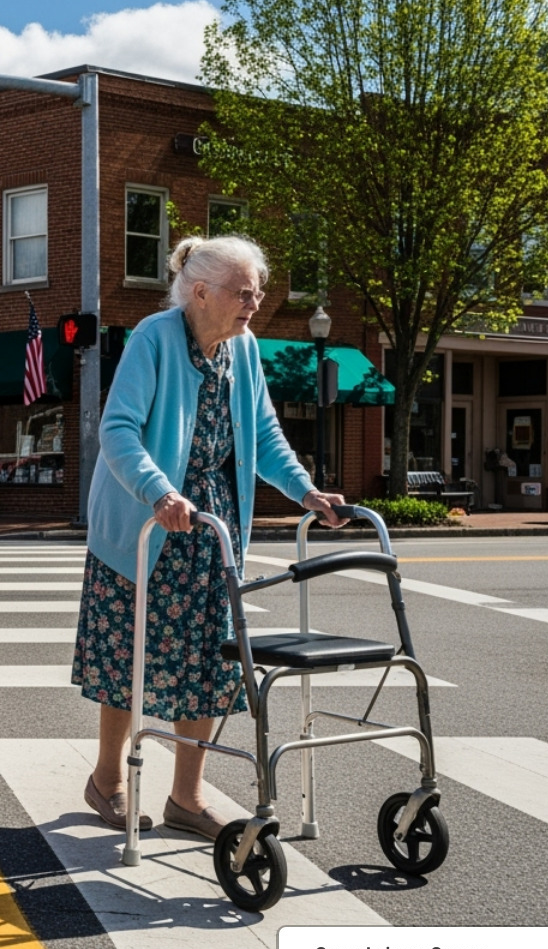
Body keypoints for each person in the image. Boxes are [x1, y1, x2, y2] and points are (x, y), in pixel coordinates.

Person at [73, 234, 346, 838]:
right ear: (200, 291)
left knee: (210, 665)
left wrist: (305, 491)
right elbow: (118, 431)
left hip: (213, 529)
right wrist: (160, 492)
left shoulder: (243, 348)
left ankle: (186, 797)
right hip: (146, 522)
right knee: (128, 659)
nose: (255, 303)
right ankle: (107, 780)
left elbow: (264, 435)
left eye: (259, 291)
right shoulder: (154, 338)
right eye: (244, 292)